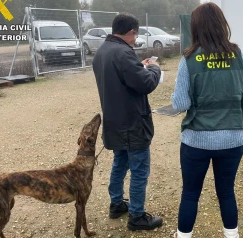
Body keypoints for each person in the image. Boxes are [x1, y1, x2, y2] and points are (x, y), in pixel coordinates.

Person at [171, 2, 243, 238]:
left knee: (190, 193)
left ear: (195, 27)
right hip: (233, 138)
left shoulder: (188, 59)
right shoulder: (239, 56)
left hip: (196, 139)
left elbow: (180, 104)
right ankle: (232, 235)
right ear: (221, 24)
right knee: (226, 192)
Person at [92, 12, 163, 231]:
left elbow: (123, 76)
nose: (135, 38)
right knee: (139, 170)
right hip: (132, 123)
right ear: (131, 32)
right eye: (135, 34)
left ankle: (116, 204)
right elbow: (145, 84)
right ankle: (137, 216)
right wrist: (154, 68)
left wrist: (137, 65)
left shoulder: (102, 51)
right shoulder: (123, 53)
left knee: (120, 163)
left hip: (114, 121)